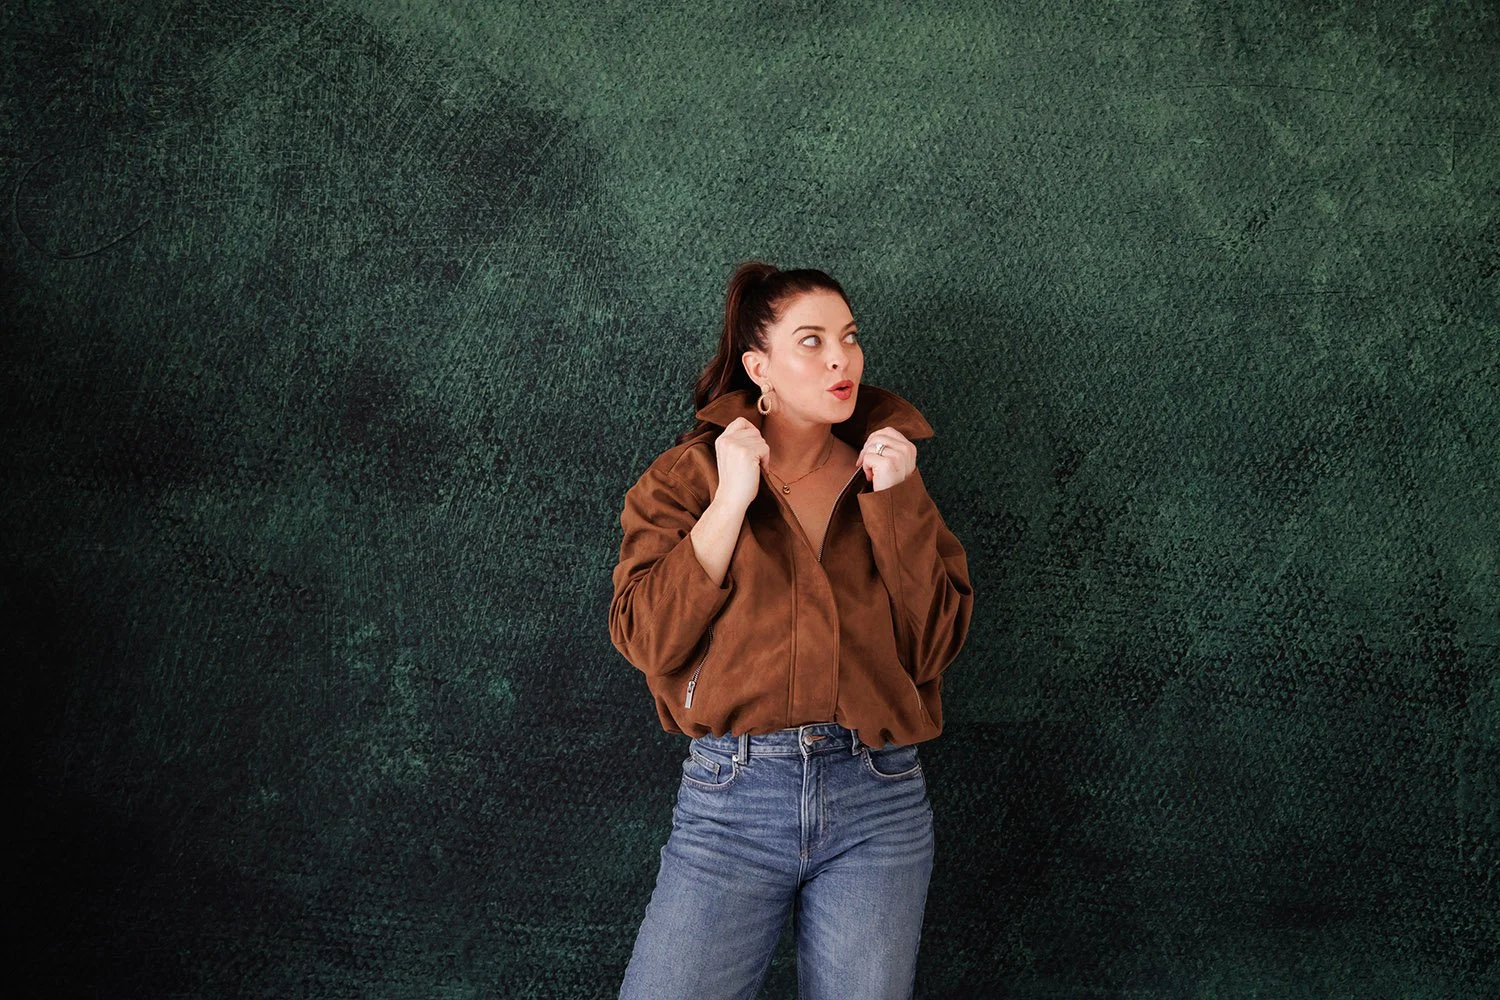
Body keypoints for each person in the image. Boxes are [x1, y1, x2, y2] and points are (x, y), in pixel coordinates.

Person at [609, 260, 974, 999]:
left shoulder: (890, 476)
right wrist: (730, 502)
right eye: (811, 341)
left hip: (880, 797)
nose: (841, 359)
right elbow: (645, 638)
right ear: (759, 367)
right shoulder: (689, 478)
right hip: (733, 796)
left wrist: (897, 507)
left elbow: (935, 647)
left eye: (849, 338)